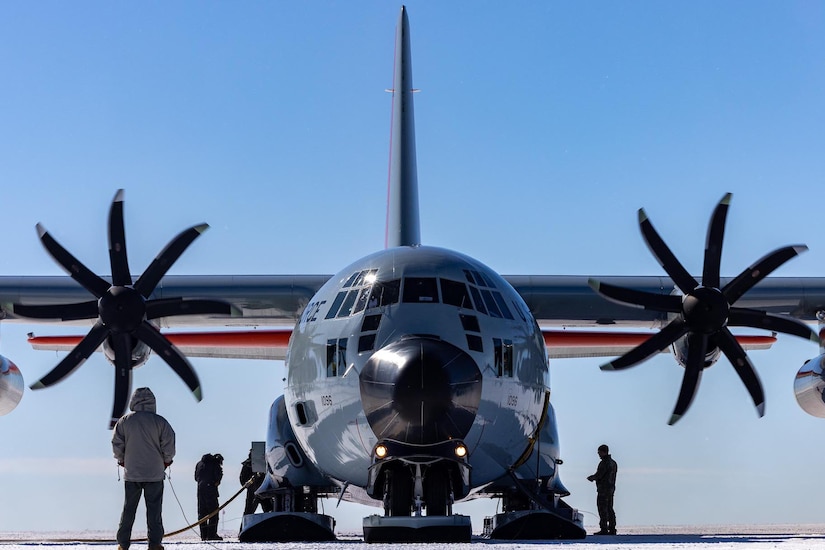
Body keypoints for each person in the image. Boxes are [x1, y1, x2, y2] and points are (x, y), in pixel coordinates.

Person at [112, 387, 176, 550]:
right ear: (152, 402)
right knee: (154, 512)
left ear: (133, 401)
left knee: (128, 510)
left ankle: (123, 543)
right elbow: (169, 444)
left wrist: (122, 460)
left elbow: (116, 443)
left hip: (132, 473)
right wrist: (166, 461)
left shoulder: (124, 421)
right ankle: (154, 544)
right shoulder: (160, 421)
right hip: (154, 473)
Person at [587, 443, 618, 535]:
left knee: (603, 508)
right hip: (611, 489)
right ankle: (612, 528)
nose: (598, 454)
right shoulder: (613, 463)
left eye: (599, 452)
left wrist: (592, 478)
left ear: (603, 452)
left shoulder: (604, 463)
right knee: (610, 508)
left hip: (603, 490)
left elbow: (600, 474)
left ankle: (604, 529)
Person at [195, 452, 224, 540]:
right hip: (210, 490)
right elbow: (217, 478)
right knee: (213, 513)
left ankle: (204, 535)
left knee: (202, 514)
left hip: (200, 490)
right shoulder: (215, 464)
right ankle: (211, 535)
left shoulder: (199, 463)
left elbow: (196, 478)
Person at [240, 448, 273, 515]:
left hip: (264, 490)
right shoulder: (248, 464)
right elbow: (242, 478)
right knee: (249, 512)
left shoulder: (266, 463)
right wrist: (249, 484)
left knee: (270, 511)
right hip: (253, 491)